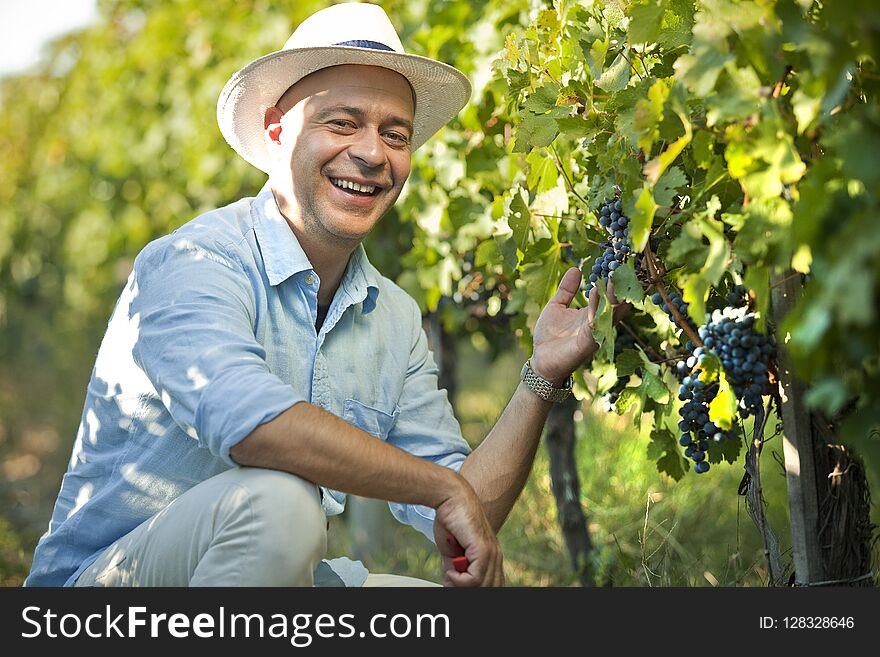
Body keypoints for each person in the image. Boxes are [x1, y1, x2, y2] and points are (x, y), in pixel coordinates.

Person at [25, 2, 623, 588]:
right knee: (280, 502)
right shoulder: (193, 260)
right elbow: (252, 428)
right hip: (103, 591)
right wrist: (443, 489)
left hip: (279, 580)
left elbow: (465, 514)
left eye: (395, 134)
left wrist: (539, 376)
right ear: (276, 128)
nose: (371, 153)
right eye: (342, 123)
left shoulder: (392, 316)